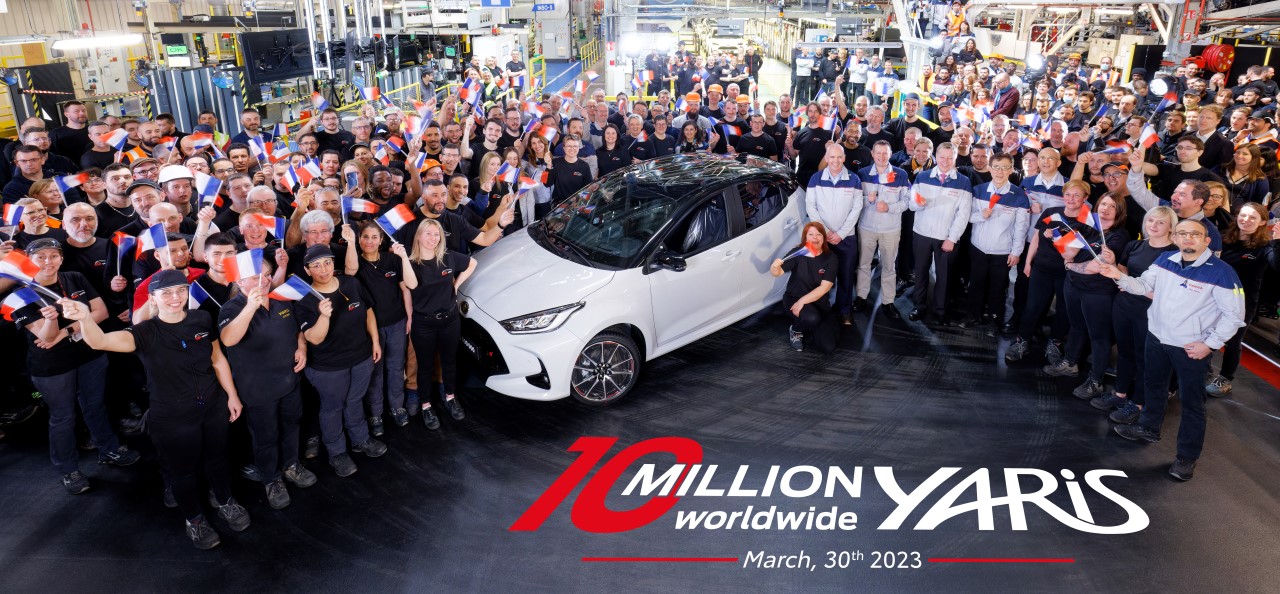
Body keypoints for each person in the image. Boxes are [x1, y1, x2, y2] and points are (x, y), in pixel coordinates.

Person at [61, 269, 249, 550]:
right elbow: (100, 341)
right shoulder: (144, 332)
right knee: (183, 471)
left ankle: (225, 501)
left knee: (218, 460)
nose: (175, 298)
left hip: (213, 407)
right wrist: (85, 318)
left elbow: (217, 358)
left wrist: (231, 395)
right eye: (166, 293)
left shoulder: (201, 318)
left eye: (181, 290)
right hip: (173, 416)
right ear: (152, 298)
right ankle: (195, 520)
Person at [1101, 219, 1247, 481]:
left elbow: (1234, 316)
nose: (1188, 238)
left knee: (1192, 403)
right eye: (1182, 233)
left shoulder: (1223, 273)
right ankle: (1148, 428)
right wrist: (1118, 276)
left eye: (1194, 234)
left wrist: (1209, 345)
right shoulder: (1165, 259)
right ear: (1175, 238)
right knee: (1154, 386)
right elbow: (1144, 286)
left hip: (1191, 347)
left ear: (1207, 240)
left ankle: (1186, 457)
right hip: (1157, 337)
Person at [4, 239, 139, 495]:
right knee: (63, 416)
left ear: (61, 258)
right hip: (52, 366)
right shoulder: (20, 295)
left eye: (53, 256)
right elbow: (46, 338)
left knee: (95, 405)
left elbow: (101, 312)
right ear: (29, 261)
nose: (48, 261)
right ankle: (68, 469)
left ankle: (108, 449)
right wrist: (52, 321)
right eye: (40, 257)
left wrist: (66, 331)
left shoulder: (74, 277)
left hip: (90, 353)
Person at [217, 255, 318, 509]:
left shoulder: (281, 298)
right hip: (258, 389)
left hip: (289, 380)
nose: (264, 281)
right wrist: (251, 307)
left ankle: (291, 465)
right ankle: (271, 478)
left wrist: (302, 347)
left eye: (267, 275)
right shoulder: (230, 308)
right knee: (266, 437)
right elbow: (228, 339)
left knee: (291, 425)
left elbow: (297, 329)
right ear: (239, 281)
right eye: (255, 277)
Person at [294, 244, 389, 477]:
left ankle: (360, 439)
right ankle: (336, 453)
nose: (323, 269)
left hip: (361, 357)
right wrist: (324, 316)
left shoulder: (351, 283)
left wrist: (375, 341)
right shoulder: (304, 299)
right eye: (316, 265)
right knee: (332, 408)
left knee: (355, 399)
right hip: (328, 367)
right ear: (307, 270)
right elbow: (314, 338)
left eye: (327, 263)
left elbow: (368, 311)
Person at [1091, 206, 1179, 423]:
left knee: (1144, 357)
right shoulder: (1135, 245)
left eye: (1160, 222)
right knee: (1124, 352)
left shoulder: (1174, 254)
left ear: (1171, 227)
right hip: (1123, 306)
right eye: (1151, 220)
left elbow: (1170, 291)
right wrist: (1120, 274)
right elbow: (1123, 268)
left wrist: (1132, 286)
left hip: (1149, 311)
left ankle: (1138, 403)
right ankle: (1120, 393)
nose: (1154, 225)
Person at [1043, 193, 1131, 400]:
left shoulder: (1119, 236)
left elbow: (1095, 267)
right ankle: (1070, 363)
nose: (1105, 209)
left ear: (1119, 211)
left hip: (1098, 292)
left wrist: (1070, 266)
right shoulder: (1087, 227)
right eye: (1103, 204)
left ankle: (1095, 381)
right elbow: (1068, 254)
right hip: (1073, 286)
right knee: (1076, 326)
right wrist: (1058, 237)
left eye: (1112, 206)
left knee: (1099, 336)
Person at [342, 222, 414, 434]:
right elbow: (349, 271)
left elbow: (406, 289)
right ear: (359, 239)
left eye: (374, 237)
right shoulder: (356, 262)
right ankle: (375, 413)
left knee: (396, 367)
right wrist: (350, 243)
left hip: (397, 322)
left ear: (381, 240)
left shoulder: (392, 260)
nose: (369, 241)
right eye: (365, 237)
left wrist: (409, 317)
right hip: (370, 328)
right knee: (375, 371)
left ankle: (397, 406)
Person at [405, 218, 475, 429]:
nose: (433, 238)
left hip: (449, 320)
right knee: (425, 366)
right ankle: (426, 405)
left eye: (436, 234)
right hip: (423, 323)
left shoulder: (448, 257)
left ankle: (451, 398)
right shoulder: (411, 263)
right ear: (419, 236)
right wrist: (403, 258)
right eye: (428, 233)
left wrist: (456, 284)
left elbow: (472, 263)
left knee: (449, 361)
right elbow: (411, 285)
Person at [1205, 203, 1280, 395]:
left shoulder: (1265, 247)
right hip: (1213, 297)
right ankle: (1204, 369)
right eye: (1243, 215)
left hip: (1242, 303)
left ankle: (1225, 379)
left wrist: (1278, 242)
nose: (1246, 220)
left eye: (1253, 217)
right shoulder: (1222, 237)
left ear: (1262, 222)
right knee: (1205, 333)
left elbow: (1277, 266)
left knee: (1233, 341)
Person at [960, 153, 1030, 332]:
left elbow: (1021, 228)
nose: (1000, 171)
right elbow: (968, 216)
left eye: (1005, 167)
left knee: (998, 286)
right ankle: (972, 315)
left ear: (1011, 170)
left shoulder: (1019, 195)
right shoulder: (978, 190)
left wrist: (1016, 252)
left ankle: (994, 319)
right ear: (990, 169)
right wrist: (981, 216)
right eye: (996, 167)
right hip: (978, 247)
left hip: (1002, 251)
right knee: (976, 283)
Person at [907, 142, 972, 323]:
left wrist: (952, 238)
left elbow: (963, 215)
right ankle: (919, 306)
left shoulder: (963, 182)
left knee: (944, 276)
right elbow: (911, 204)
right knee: (920, 273)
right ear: (936, 156)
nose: (945, 161)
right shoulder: (922, 176)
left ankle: (940, 310)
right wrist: (918, 204)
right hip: (922, 233)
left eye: (950, 157)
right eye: (942, 157)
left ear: (955, 158)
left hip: (946, 237)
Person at [805, 143, 863, 325]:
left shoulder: (854, 179)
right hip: (821, 238)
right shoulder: (815, 179)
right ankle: (820, 308)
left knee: (846, 276)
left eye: (839, 157)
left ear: (844, 158)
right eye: (832, 157)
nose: (835, 161)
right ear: (826, 158)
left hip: (847, 238)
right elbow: (811, 207)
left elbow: (857, 208)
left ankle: (844, 310)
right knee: (819, 276)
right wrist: (826, 232)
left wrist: (841, 234)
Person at [853, 141, 910, 319]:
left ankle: (888, 301)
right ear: (872, 153)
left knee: (889, 266)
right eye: (878, 153)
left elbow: (907, 201)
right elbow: (854, 200)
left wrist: (890, 208)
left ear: (890, 154)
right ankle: (861, 296)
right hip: (867, 227)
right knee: (863, 264)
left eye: (885, 153)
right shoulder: (862, 173)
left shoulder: (900, 174)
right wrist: (867, 200)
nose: (881, 156)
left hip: (890, 229)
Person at [770, 222, 838, 352]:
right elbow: (777, 273)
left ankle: (809, 324)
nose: (815, 237)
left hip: (819, 303)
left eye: (819, 234)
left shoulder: (831, 258)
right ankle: (795, 330)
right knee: (811, 318)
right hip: (794, 298)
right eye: (811, 234)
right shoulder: (798, 253)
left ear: (824, 237)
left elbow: (824, 288)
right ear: (805, 237)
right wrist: (774, 267)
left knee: (828, 347)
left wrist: (802, 301)